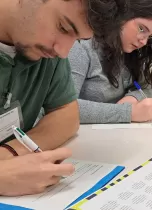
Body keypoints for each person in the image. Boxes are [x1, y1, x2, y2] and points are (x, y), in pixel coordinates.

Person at [0, 0, 123, 195]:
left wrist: (10, 152)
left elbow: (66, 114)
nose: (62, 51)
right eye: (63, 27)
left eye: (78, 39)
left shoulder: (45, 51)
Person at [68, 0, 152, 124]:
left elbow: (148, 87)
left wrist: (133, 97)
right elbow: (65, 108)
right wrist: (128, 112)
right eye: (142, 29)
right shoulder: (82, 47)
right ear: (121, 15)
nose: (144, 42)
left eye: (150, 36)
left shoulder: (128, 51)